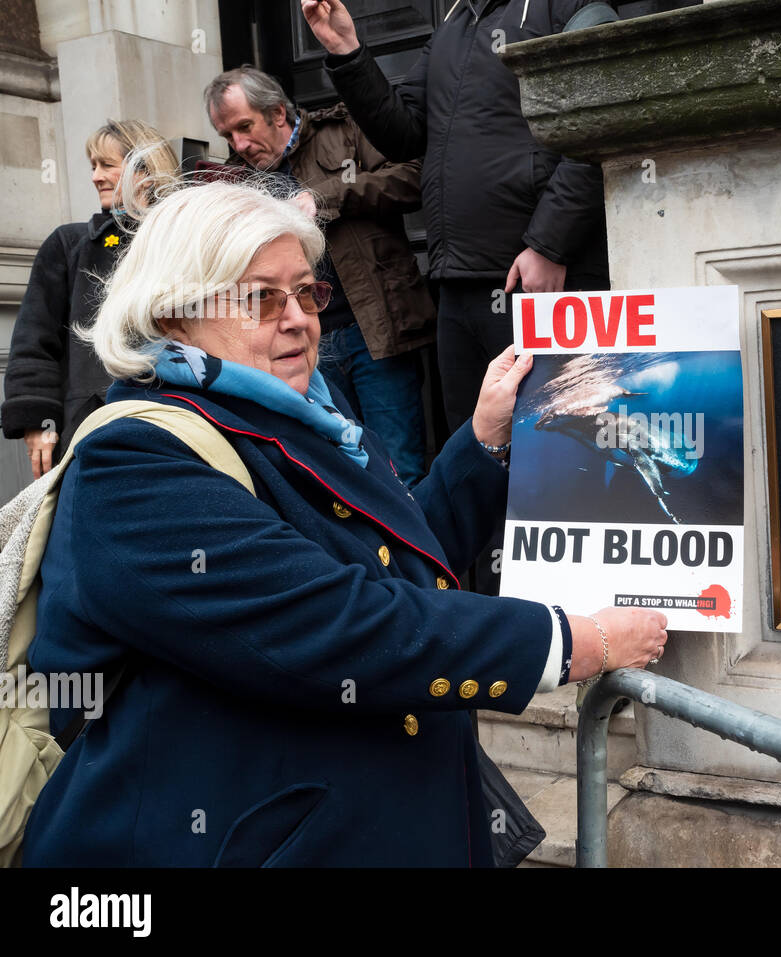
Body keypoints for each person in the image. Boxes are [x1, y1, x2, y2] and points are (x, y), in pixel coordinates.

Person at [21, 179, 667, 866]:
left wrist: (483, 440)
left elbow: (397, 561)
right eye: (261, 297)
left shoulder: (306, 417)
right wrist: (572, 640)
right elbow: (332, 621)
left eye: (306, 291)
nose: (297, 317)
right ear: (173, 315)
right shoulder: (132, 459)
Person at [302, 0, 611, 435]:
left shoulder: (565, 6)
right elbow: (403, 134)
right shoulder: (456, 21)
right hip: (456, 284)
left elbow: (600, 122)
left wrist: (549, 244)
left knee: (548, 446)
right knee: (475, 447)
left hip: (533, 281)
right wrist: (347, 50)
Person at [204, 65, 435, 486]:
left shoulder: (341, 130)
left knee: (399, 470)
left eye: (244, 127)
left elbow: (413, 177)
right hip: (299, 343)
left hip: (375, 333)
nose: (239, 144)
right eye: (228, 136)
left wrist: (325, 197)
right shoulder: (237, 178)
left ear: (277, 114)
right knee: (334, 471)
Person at [1, 120, 179, 478]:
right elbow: (35, 342)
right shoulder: (70, 244)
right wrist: (42, 421)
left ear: (145, 170)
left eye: (107, 165)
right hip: (87, 426)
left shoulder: (182, 241)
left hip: (173, 419)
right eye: (93, 166)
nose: (96, 176)